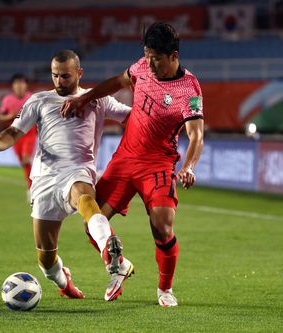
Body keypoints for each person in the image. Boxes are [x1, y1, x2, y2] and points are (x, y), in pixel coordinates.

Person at [61, 22, 205, 307]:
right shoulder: (141, 67)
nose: (150, 64)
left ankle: (165, 290)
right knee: (93, 222)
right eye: (147, 55)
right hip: (125, 158)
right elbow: (117, 81)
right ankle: (120, 265)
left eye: (157, 58)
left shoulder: (189, 87)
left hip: (158, 164)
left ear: (173, 56)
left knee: (162, 226)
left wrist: (188, 166)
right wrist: (84, 98)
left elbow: (196, 134)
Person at [0, 50, 134, 301]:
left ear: (79, 73)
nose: (59, 81)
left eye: (66, 76)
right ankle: (63, 281)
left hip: (78, 170)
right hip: (45, 179)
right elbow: (14, 131)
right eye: (55, 76)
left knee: (85, 199)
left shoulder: (98, 99)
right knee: (46, 259)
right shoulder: (39, 100)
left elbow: (134, 118)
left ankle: (109, 251)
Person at [0, 74, 35, 195]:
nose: (19, 86)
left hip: (29, 133)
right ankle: (31, 186)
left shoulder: (32, 98)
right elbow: (1, 117)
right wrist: (9, 116)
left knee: (26, 159)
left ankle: (32, 189)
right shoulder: (7, 100)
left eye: (22, 83)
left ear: (26, 85)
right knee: (23, 162)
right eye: (16, 83)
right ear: (13, 86)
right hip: (14, 135)